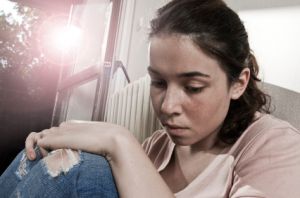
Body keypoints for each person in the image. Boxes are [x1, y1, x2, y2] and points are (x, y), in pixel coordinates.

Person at [1, 0, 300, 197]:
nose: (168, 107)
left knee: (79, 170)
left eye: (193, 87)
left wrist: (119, 140)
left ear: (239, 83)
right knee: (47, 155)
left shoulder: (274, 144)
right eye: (158, 82)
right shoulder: (156, 146)